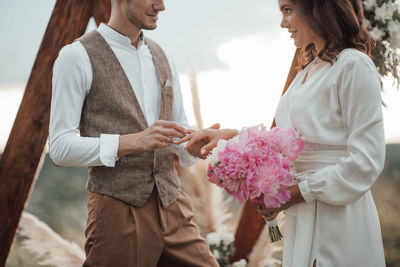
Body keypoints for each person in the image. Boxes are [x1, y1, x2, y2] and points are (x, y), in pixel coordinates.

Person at [178, 0, 386, 266]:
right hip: (302, 214)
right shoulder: (308, 70)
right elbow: (286, 139)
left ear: (318, 8)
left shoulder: (353, 65)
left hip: (338, 216)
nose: (283, 23)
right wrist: (230, 137)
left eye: (288, 10)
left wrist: (295, 193)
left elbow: (366, 162)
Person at [49, 0, 219, 266]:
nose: (161, 6)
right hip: (117, 212)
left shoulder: (164, 56)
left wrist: (192, 147)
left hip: (173, 206)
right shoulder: (76, 56)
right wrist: (132, 141)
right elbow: (59, 147)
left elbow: (177, 134)